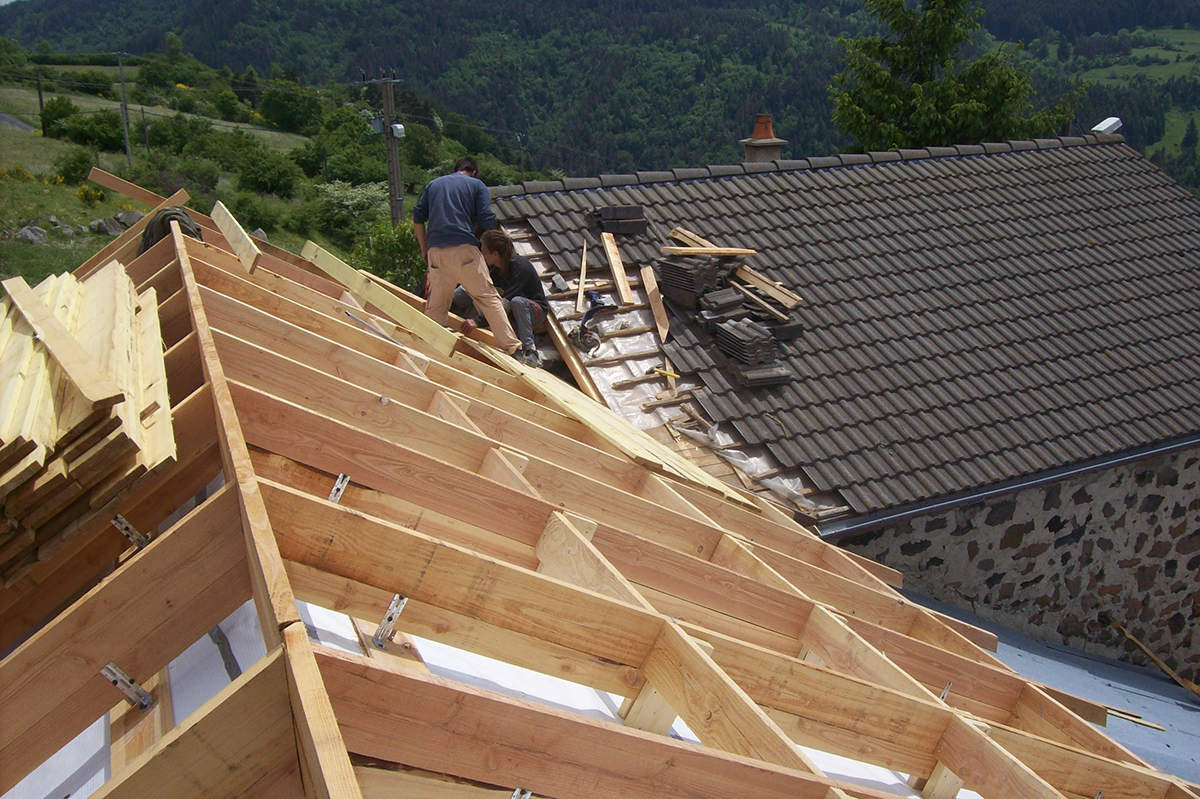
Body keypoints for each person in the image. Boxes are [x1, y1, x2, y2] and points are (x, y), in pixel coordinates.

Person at [413, 156, 521, 354]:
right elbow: (487, 219)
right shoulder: (476, 185)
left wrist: (424, 249)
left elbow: (418, 217)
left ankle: (427, 348)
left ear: (456, 169)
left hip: (437, 252)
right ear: (473, 172)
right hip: (465, 251)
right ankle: (513, 348)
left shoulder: (433, 185)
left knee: (437, 304)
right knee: (488, 299)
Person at [455, 229, 548, 367]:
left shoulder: (520, 268)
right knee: (471, 287)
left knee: (517, 302)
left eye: (484, 250)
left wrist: (478, 321)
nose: (482, 253)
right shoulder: (495, 267)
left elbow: (504, 305)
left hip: (534, 309)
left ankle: (530, 351)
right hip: (510, 308)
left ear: (495, 254)